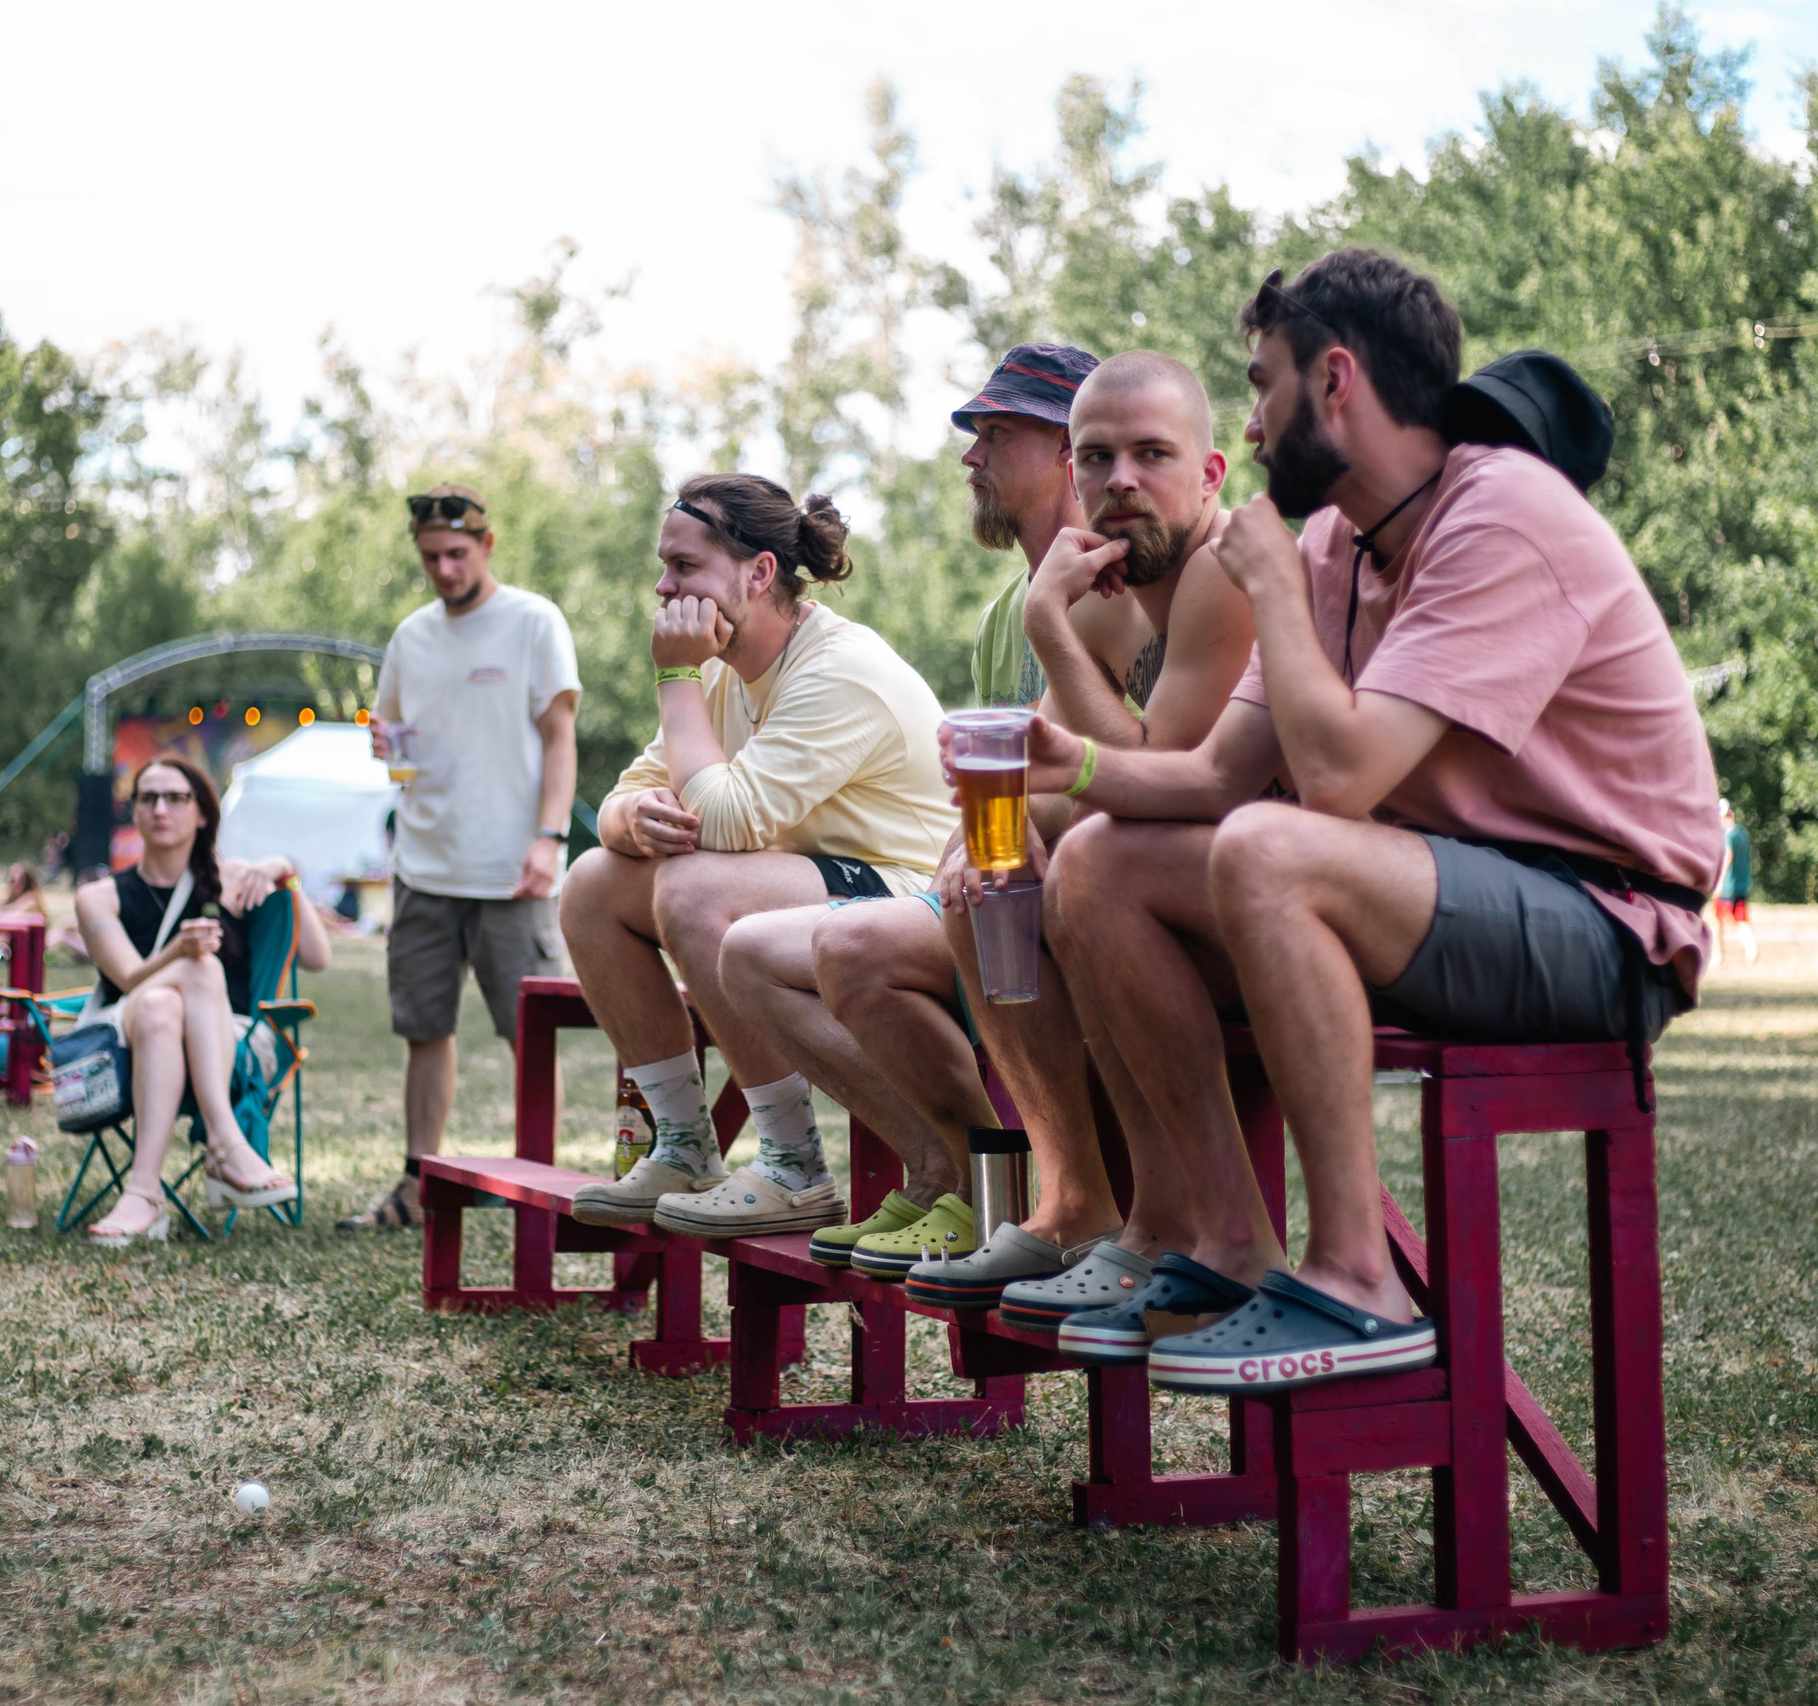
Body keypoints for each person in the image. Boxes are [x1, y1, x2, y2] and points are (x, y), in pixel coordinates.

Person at [996, 248, 1720, 1390]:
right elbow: (1216, 776)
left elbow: (1331, 786)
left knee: (1272, 853)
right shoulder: (1337, 539)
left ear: (1333, 381)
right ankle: (1226, 1242)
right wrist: (1072, 761)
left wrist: (1275, 587)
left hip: (1606, 921)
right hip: (1440, 890)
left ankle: (1360, 1285)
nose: (1253, 417)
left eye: (1262, 385)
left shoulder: (1501, 514)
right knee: (1097, 864)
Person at [713, 347, 1252, 1285]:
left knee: (1069, 858)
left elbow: (1153, 775)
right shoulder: (1058, 599)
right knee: (986, 877)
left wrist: (1050, 634)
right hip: (1084, 890)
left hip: (1214, 896)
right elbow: (1026, 768)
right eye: (1101, 458)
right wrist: (979, 836)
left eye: (996, 435)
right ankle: (1024, 1193)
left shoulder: (1204, 571)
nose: (972, 457)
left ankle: (1120, 1216)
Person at [563, 474, 957, 1231]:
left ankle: (792, 1165)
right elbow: (631, 791)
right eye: (664, 565)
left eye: (683, 567)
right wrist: (629, 820)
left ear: (759, 571)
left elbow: (728, 825)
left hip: (915, 903)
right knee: (593, 884)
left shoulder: (839, 668)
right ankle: (679, 1143)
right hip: (810, 895)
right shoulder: (718, 671)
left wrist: (673, 675)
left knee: (694, 890)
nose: (662, 585)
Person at [339, 483, 581, 1230]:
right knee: (424, 1030)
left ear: (486, 544)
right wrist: (385, 746)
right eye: (429, 557)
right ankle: (415, 1187)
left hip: (513, 871)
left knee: (529, 1038)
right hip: (423, 866)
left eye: (455, 553)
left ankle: (545, 1188)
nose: (443, 569)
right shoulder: (411, 637)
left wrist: (550, 840)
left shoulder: (533, 621)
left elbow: (559, 737)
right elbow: (396, 738)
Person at [74, 755, 331, 1246]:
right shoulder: (99, 897)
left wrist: (284, 873)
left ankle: (144, 1193)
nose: (161, 809)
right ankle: (225, 1141)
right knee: (188, 974)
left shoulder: (238, 880)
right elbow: (128, 978)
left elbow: (317, 956)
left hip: (228, 1039)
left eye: (176, 797)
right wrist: (179, 951)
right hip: (125, 1034)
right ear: (134, 812)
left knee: (162, 1008)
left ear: (204, 813)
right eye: (148, 798)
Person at [1713, 799, 1757, 967]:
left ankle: (1718, 956)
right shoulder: (1743, 833)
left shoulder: (1727, 834)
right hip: (1742, 884)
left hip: (1727, 886)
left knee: (1716, 921)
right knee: (1741, 919)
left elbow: (1727, 856)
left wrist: (1719, 881)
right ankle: (1752, 950)